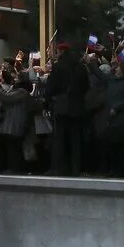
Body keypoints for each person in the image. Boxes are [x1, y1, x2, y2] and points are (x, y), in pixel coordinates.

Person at [43, 45, 87, 176]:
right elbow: (86, 86)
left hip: (61, 106)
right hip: (77, 106)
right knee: (75, 139)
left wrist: (46, 101)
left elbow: (51, 87)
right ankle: (76, 168)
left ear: (61, 51)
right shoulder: (80, 66)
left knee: (59, 138)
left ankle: (58, 167)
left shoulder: (58, 66)